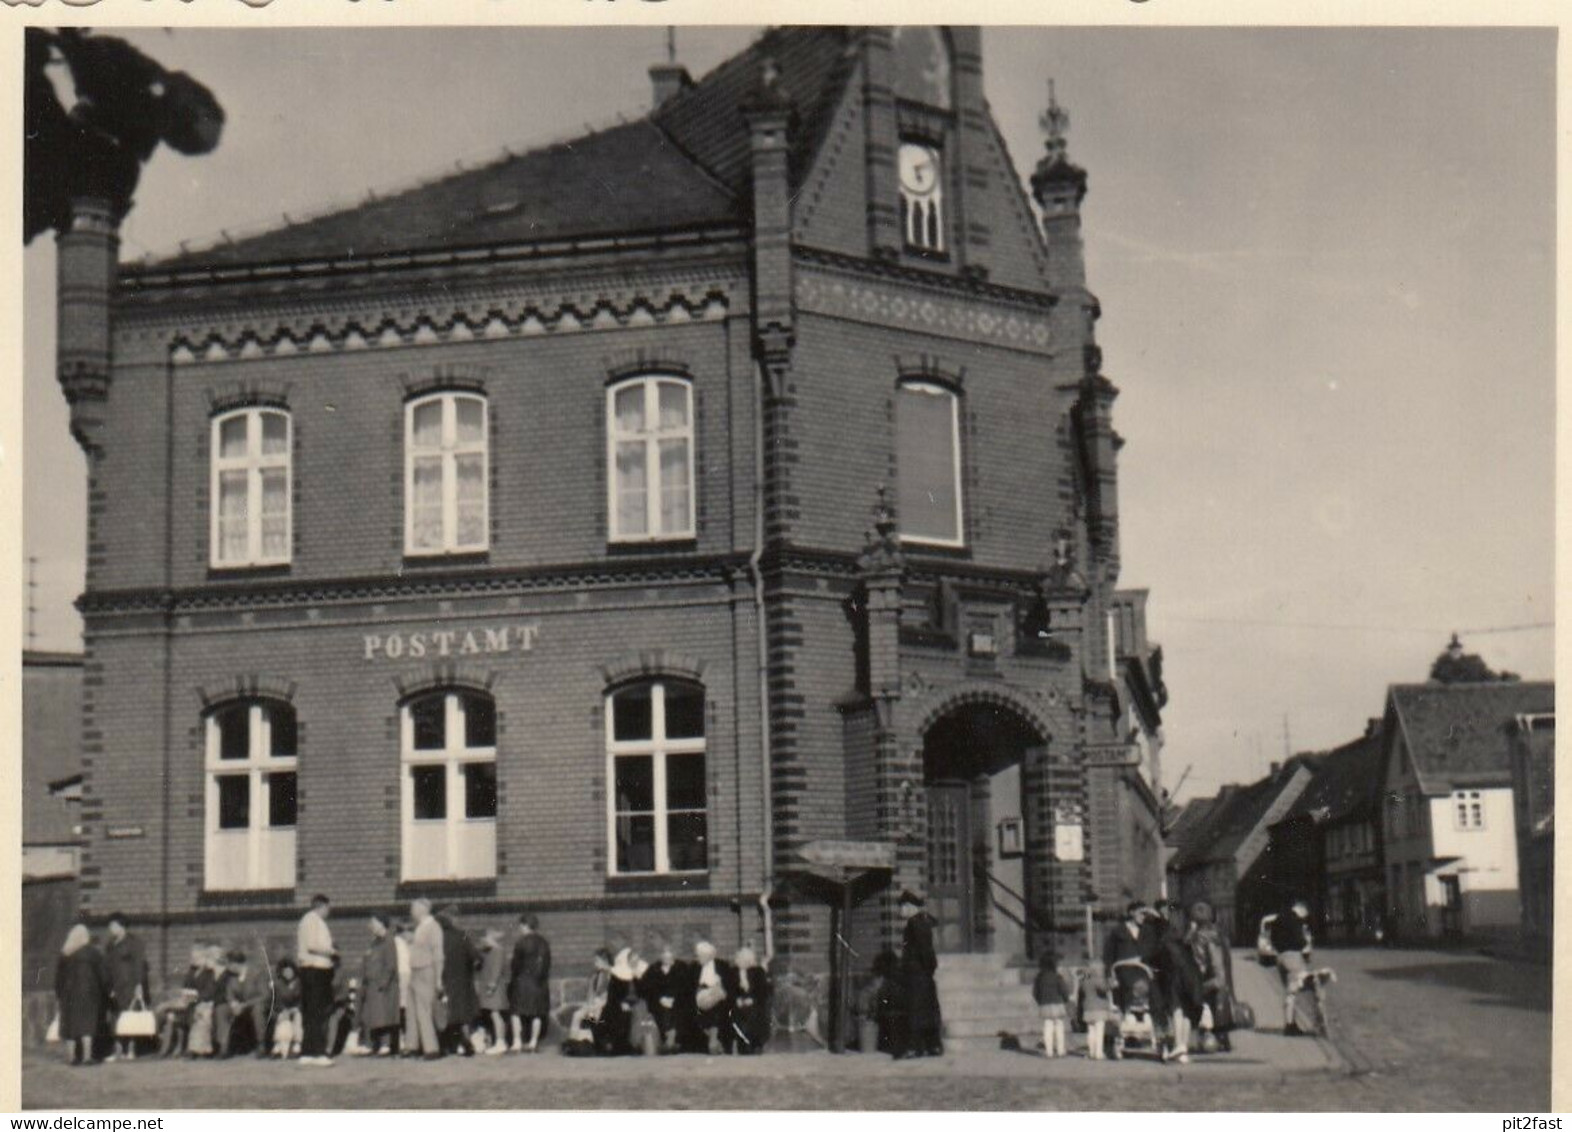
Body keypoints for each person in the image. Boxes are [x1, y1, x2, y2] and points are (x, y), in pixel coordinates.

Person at [1154, 900, 1205, 1064]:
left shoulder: (1167, 934)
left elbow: (1160, 955)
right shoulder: (1192, 931)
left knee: (1176, 1009)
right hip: (1193, 975)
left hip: (1176, 974)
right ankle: (1182, 1048)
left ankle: (1178, 1044)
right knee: (1187, 1010)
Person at [55, 924, 108, 1067]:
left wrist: (59, 993)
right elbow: (103, 975)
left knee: (70, 1025)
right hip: (89, 994)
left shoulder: (65, 953)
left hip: (68, 994)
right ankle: (87, 1056)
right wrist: (106, 990)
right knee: (88, 1024)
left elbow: (59, 977)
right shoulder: (93, 953)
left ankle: (72, 1057)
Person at [898, 890, 943, 1058]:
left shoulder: (915, 923)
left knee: (916, 1010)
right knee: (928, 1010)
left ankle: (915, 1047)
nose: (899, 911)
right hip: (921, 973)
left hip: (918, 974)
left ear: (909, 907)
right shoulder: (920, 921)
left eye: (901, 907)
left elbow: (926, 950)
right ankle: (932, 1046)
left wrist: (927, 968)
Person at [295, 893, 338, 1066]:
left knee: (313, 1012)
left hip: (314, 970)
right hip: (315, 970)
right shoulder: (312, 920)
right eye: (328, 908)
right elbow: (312, 944)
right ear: (322, 906)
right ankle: (317, 1052)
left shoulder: (311, 921)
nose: (329, 911)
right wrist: (331, 951)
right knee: (317, 1012)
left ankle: (309, 1051)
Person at [1187, 900, 1236, 1053]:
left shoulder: (1198, 937)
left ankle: (1207, 1038)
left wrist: (1190, 932)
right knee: (1220, 1006)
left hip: (1207, 978)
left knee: (1204, 1005)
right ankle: (1223, 1037)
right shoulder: (1219, 934)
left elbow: (1198, 959)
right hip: (1221, 977)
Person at [102, 913, 149, 1062]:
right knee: (116, 1017)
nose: (110, 929)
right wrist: (108, 985)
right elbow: (107, 966)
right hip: (115, 986)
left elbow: (139, 965)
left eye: (113, 925)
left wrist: (139, 985)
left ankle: (131, 1049)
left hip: (130, 985)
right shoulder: (110, 944)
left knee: (131, 1016)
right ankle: (118, 1050)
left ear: (121, 925)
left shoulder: (134, 942)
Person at [436, 906, 481, 1055]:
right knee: (462, 1015)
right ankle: (467, 1042)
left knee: (444, 1012)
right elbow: (476, 958)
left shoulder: (437, 938)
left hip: (443, 979)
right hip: (462, 980)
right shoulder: (462, 935)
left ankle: (444, 1045)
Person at [404, 898, 445, 1059]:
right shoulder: (420, 927)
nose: (411, 911)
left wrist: (439, 978)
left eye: (413, 908)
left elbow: (438, 953)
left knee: (424, 1009)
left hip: (426, 970)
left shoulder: (433, 927)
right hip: (414, 970)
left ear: (423, 909)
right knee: (412, 1010)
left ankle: (431, 1048)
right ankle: (412, 1045)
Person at [355, 913, 401, 1056]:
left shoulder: (388, 941)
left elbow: (391, 965)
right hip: (371, 986)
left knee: (385, 1016)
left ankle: (386, 1045)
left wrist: (383, 983)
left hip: (383, 987)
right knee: (372, 1017)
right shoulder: (374, 942)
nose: (371, 926)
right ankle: (373, 1044)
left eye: (373, 923)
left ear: (381, 923)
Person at [214, 949, 270, 1059]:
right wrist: (233, 1003)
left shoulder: (257, 973)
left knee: (258, 1010)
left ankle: (261, 1045)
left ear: (235, 964)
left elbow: (265, 995)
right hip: (239, 1006)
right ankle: (223, 1047)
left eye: (228, 964)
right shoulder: (231, 976)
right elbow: (229, 993)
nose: (227, 967)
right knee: (221, 1009)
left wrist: (244, 1005)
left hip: (255, 1004)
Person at [1270, 898, 1315, 1035]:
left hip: (1281, 957)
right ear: (1301, 909)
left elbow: (1272, 938)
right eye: (1305, 914)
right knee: (1293, 992)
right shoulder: (1295, 920)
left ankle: (1291, 1022)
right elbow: (1299, 940)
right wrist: (1305, 941)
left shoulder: (1279, 918)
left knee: (1288, 991)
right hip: (1293, 957)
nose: (1305, 918)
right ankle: (1290, 1026)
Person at [508, 913, 551, 1054]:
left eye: (521, 925)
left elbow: (515, 965)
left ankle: (517, 1042)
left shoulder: (521, 942)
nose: (520, 928)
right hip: (539, 983)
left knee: (516, 1013)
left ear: (525, 925)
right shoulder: (544, 942)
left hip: (522, 982)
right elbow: (546, 964)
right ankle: (533, 1042)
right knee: (537, 1014)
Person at [638, 942, 690, 1054]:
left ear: (674, 955)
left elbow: (686, 987)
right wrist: (660, 998)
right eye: (664, 954)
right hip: (657, 1002)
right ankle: (670, 1040)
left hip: (678, 1001)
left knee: (676, 1011)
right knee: (662, 1011)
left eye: (669, 954)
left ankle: (670, 1039)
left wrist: (674, 999)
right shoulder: (654, 968)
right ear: (660, 956)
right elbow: (646, 987)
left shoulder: (682, 967)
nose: (667, 957)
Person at [726, 946, 771, 1055]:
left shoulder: (758, 971)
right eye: (738, 959)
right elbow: (729, 990)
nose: (738, 961)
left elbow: (763, 991)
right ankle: (743, 1045)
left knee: (754, 1013)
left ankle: (755, 1044)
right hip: (737, 1003)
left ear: (749, 961)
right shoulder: (732, 972)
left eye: (741, 959)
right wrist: (737, 1000)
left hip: (754, 1003)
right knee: (736, 1014)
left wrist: (752, 1000)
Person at [596, 947, 642, 1055]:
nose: (634, 962)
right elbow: (616, 995)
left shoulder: (637, 973)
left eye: (636, 960)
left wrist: (629, 1002)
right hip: (617, 1005)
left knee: (625, 1014)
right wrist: (624, 1002)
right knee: (616, 1013)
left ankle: (623, 1044)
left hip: (636, 1005)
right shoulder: (619, 975)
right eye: (632, 960)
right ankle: (614, 1044)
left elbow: (641, 992)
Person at [475, 927, 510, 1055]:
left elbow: (496, 970)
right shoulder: (489, 951)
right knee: (494, 1014)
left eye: (484, 939)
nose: (482, 942)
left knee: (496, 1015)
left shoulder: (497, 951)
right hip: (491, 987)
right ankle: (499, 1041)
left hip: (494, 988)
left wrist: (492, 986)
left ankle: (500, 1042)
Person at [691, 941, 730, 1055]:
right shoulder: (694, 967)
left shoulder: (722, 965)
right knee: (696, 1011)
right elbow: (689, 987)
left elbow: (728, 986)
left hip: (718, 998)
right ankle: (715, 1042)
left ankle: (712, 1041)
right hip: (699, 999)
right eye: (697, 955)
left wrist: (717, 992)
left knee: (716, 1009)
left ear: (708, 955)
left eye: (699, 955)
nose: (697, 958)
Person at [1032, 949, 1071, 1059]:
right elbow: (1064, 990)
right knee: (1059, 1026)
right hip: (1057, 1003)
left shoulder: (1039, 977)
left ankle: (1048, 1052)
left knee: (1047, 1027)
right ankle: (1060, 1050)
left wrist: (1040, 1001)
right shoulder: (1057, 977)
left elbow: (1035, 992)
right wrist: (1066, 999)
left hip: (1044, 1004)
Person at [271, 959, 304, 1058]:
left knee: (298, 1017)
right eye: (285, 972)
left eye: (290, 971)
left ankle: (297, 1045)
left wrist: (296, 1008)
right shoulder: (278, 984)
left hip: (297, 1009)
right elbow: (276, 1001)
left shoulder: (300, 983)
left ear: (294, 971)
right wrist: (283, 1010)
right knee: (281, 1018)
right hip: (283, 1009)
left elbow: (303, 999)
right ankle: (277, 1047)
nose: (288, 974)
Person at [1079, 960, 1110, 1061]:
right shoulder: (1097, 980)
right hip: (1099, 1010)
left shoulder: (1084, 981)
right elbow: (1104, 989)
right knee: (1099, 1032)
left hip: (1088, 1009)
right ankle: (1099, 1053)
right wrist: (1112, 983)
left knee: (1091, 1032)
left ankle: (1091, 1052)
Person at [394, 920, 413, 1039]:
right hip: (404, 975)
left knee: (404, 1006)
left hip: (408, 975)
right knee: (403, 1006)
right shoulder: (399, 944)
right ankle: (404, 1035)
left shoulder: (409, 944)